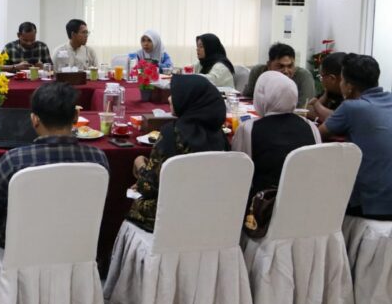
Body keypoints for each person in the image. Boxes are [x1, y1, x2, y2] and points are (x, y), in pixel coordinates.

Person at [0, 82, 109, 259]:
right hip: (74, 238)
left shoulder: (14, 160)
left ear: (34, 119)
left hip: (18, 240)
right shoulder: (98, 159)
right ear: (76, 116)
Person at [128, 74, 230, 232]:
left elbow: (148, 186)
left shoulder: (173, 133)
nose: (169, 99)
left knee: (137, 202)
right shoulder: (219, 135)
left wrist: (139, 163)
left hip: (172, 217)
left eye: (174, 95)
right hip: (210, 214)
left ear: (188, 100)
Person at [319, 54, 392, 220]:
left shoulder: (352, 107)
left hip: (374, 205)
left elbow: (317, 134)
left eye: (342, 80)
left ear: (349, 86)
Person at [232, 71, 320, 195]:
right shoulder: (310, 126)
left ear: (261, 96)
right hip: (305, 197)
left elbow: (239, 171)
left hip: (264, 205)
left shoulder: (249, 128)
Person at [242, 42, 315, 108]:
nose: (286, 71)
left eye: (290, 66)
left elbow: (303, 107)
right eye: (280, 66)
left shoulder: (304, 76)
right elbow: (247, 97)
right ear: (269, 65)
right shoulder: (258, 72)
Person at [307, 51, 346, 122]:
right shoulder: (330, 91)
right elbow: (307, 110)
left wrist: (317, 105)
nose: (321, 80)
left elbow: (339, 119)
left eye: (322, 76)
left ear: (332, 79)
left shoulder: (351, 95)